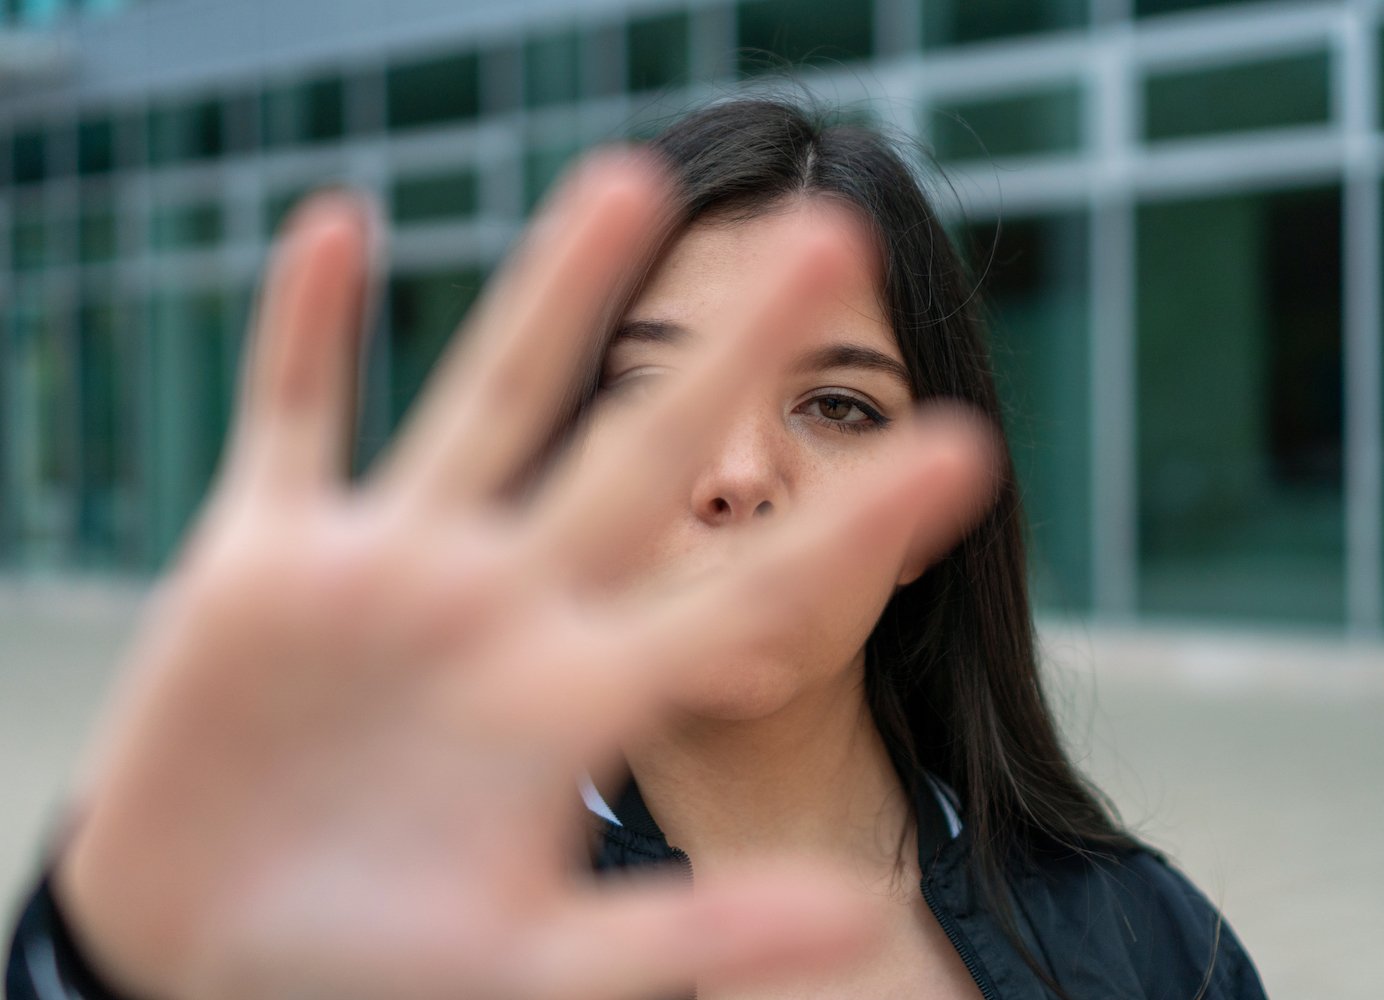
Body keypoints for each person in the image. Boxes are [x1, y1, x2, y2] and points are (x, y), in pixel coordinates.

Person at [6, 98, 1266, 1000]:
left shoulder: (1153, 945)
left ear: (925, 528)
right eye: (652, 399)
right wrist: (107, 960)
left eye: (839, 406)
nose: (734, 476)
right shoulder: (391, 924)